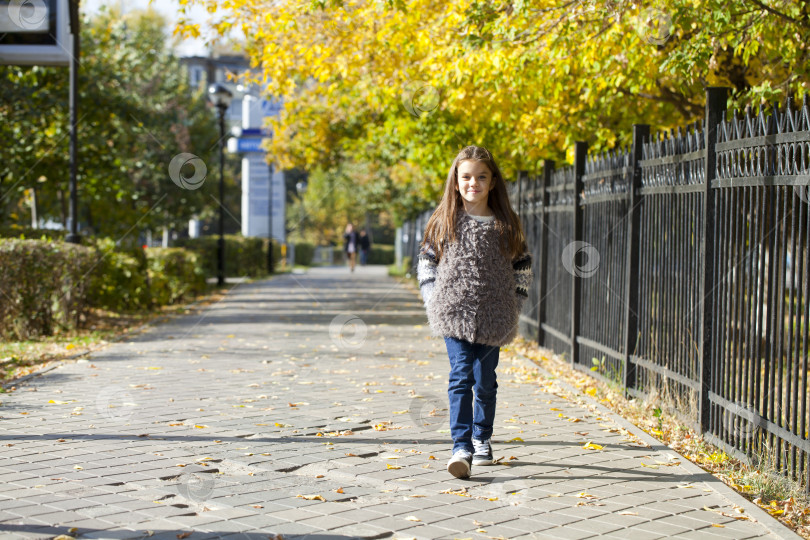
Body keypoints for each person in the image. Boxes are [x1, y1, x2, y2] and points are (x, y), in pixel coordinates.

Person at [417, 145, 533, 479]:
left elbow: (521, 267)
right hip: (453, 312)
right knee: (460, 376)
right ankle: (461, 446)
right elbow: (427, 262)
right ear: (455, 181)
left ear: (493, 182)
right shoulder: (445, 221)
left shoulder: (505, 225)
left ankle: (482, 437)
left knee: (485, 382)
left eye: (481, 177)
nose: (473, 183)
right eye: (466, 177)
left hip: (495, 315)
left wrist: (515, 305)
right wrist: (432, 300)